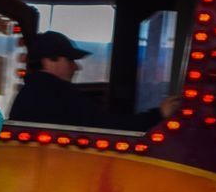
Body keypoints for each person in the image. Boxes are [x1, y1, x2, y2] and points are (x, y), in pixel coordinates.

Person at [9, 31, 179, 130]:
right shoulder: (61, 94)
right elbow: (107, 127)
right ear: (48, 61)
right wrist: (159, 114)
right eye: (70, 60)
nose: (76, 67)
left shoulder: (26, 94)